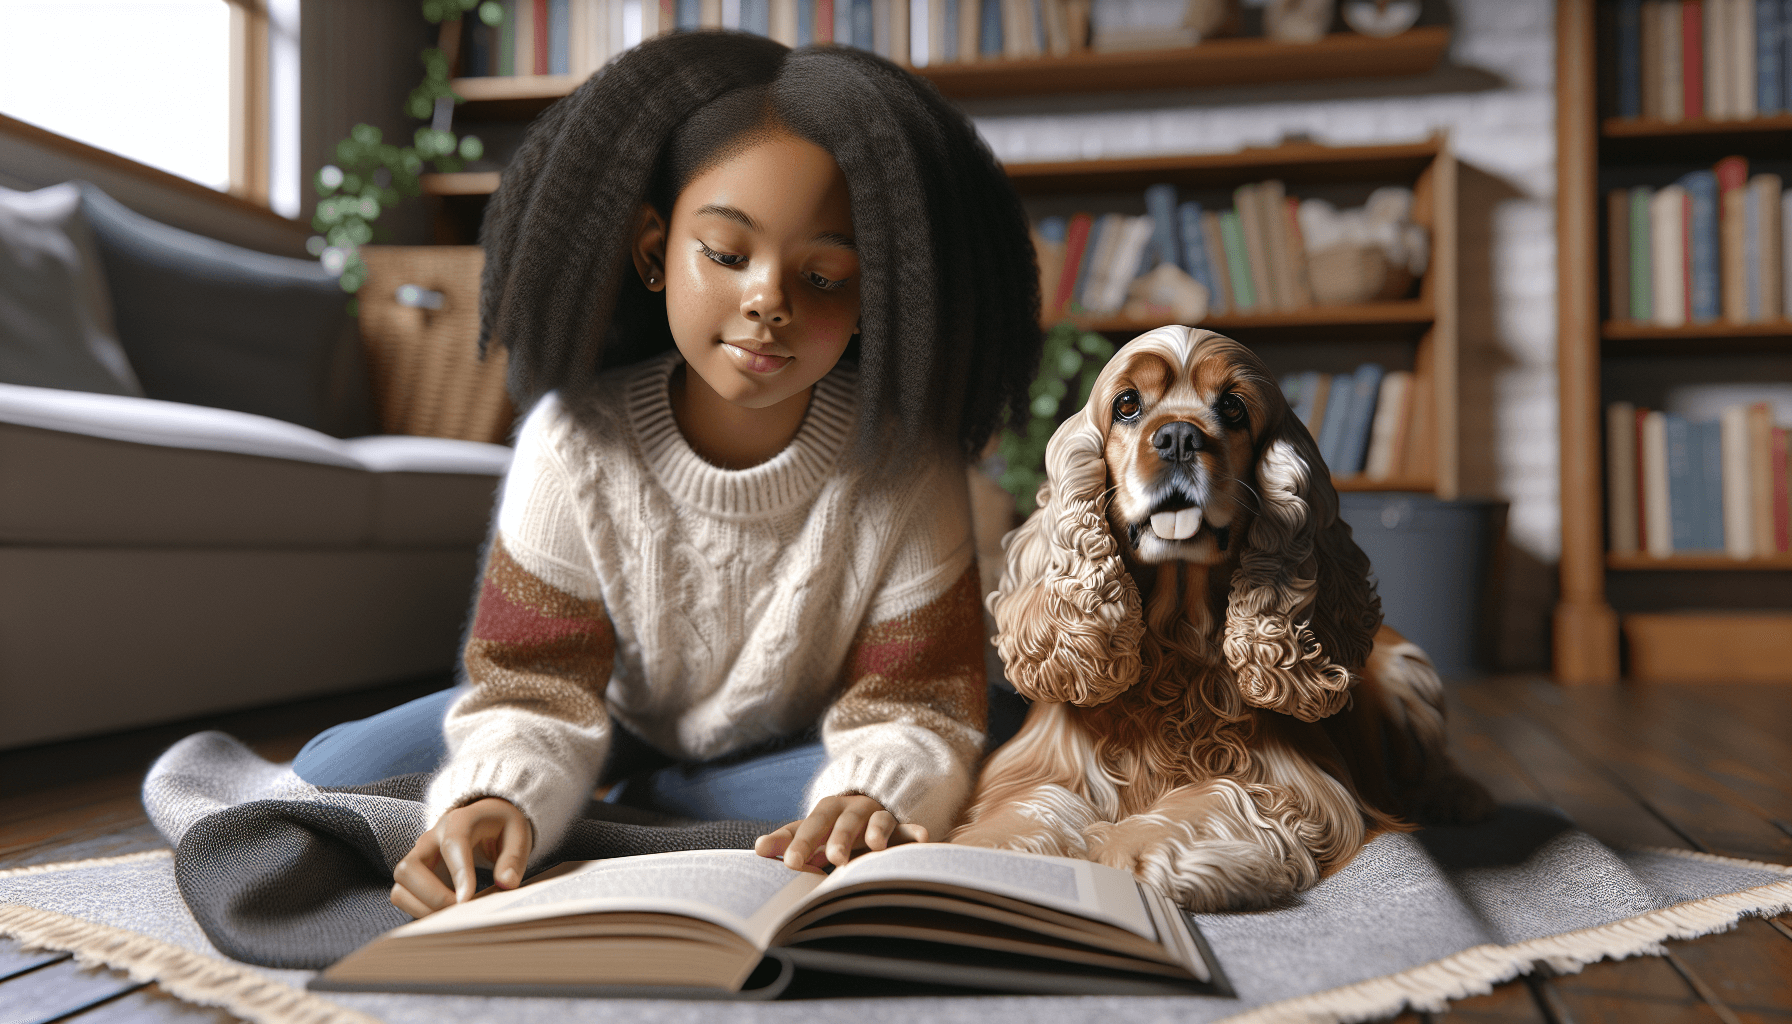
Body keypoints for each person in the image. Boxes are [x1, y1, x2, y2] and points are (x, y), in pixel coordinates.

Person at [291, 31, 1043, 919]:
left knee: (963, 753)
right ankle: (648, 807)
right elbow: (536, 682)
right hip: (598, 713)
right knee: (325, 777)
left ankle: (653, 808)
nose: (770, 300)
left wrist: (871, 791)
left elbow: (913, 697)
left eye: (825, 275)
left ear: (876, 295)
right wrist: (494, 793)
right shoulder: (573, 440)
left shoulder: (904, 462)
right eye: (726, 254)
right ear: (654, 249)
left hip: (810, 731)